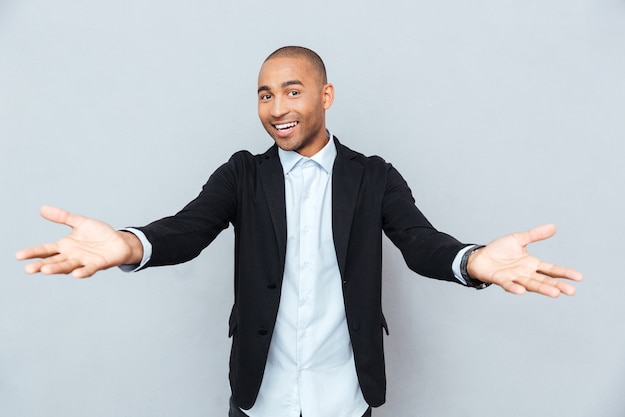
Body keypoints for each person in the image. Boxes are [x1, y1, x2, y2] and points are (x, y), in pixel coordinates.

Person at [15, 46, 582, 417]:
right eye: (265, 94)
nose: (276, 108)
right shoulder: (242, 174)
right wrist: (128, 244)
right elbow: (188, 229)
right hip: (260, 393)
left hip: (345, 393)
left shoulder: (374, 177)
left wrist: (473, 259)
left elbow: (419, 242)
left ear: (325, 96)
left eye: (292, 90)